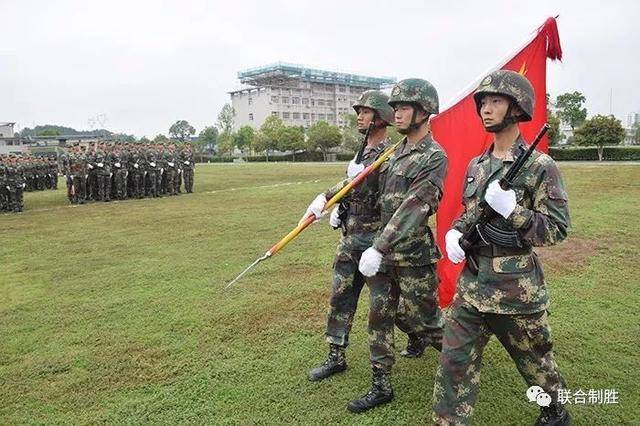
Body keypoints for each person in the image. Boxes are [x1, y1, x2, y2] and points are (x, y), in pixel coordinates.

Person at [433, 70, 571, 425]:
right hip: (472, 286)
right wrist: (455, 233)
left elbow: (555, 230)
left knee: (537, 364)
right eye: (483, 102)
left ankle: (555, 410)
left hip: (516, 292)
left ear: (517, 106)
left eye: (496, 101)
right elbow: (470, 214)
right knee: (453, 362)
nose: (485, 109)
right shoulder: (477, 166)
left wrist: (514, 211)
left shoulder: (541, 166)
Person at [350, 78, 447, 412]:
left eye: (404, 107)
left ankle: (462, 357)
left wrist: (377, 247)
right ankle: (381, 384)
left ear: (424, 111)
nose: (397, 114)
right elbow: (368, 188)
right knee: (379, 316)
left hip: (413, 256)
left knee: (428, 321)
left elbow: (414, 207)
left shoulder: (434, 157)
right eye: (395, 108)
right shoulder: (394, 154)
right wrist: (334, 200)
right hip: (384, 254)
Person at [303, 90, 395, 383]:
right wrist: (333, 203)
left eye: (366, 112)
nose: (360, 116)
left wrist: (351, 188)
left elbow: (384, 198)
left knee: (385, 309)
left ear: (381, 118)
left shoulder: (391, 155)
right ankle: (335, 356)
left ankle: (382, 376)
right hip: (350, 237)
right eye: (360, 111)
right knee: (340, 298)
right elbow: (350, 186)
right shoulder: (361, 151)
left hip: (376, 242)